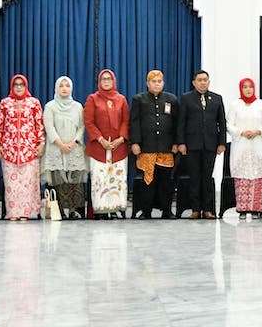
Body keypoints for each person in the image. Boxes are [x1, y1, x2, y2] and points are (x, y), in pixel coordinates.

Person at [177, 70, 227, 219]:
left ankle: (208, 209)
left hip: (211, 145)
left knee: (207, 178)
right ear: (194, 82)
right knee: (194, 178)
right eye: (200, 80)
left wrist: (222, 142)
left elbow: (222, 123)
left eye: (205, 80)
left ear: (209, 82)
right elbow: (181, 122)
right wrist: (181, 142)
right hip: (192, 145)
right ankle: (195, 209)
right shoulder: (186, 98)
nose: (203, 82)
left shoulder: (217, 98)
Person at [130, 70, 180, 219]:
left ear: (163, 83)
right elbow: (134, 123)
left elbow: (177, 123)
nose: (157, 84)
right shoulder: (139, 99)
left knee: (166, 182)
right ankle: (146, 211)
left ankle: (166, 210)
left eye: (159, 81)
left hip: (166, 148)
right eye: (154, 81)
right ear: (147, 83)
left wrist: (177, 142)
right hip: (147, 147)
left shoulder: (171, 99)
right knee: (148, 181)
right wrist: (135, 142)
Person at [0, 74, 45, 221]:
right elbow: (0, 125)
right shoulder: (5, 103)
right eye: (16, 84)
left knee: (28, 184)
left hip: (29, 150)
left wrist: (41, 143)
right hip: (9, 150)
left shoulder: (34, 103)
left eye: (21, 84)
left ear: (26, 86)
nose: (18, 87)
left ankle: (26, 212)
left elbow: (39, 125)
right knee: (11, 184)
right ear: (12, 86)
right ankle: (13, 212)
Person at [84, 69, 130, 219]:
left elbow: (126, 121)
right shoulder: (92, 99)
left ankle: (116, 208)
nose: (106, 81)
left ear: (113, 81)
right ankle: (101, 210)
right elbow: (89, 122)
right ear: (99, 81)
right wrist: (101, 139)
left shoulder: (121, 99)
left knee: (118, 179)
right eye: (103, 79)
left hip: (119, 148)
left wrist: (121, 139)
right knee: (100, 179)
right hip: (99, 148)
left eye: (109, 79)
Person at [227, 78, 262, 221]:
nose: (248, 89)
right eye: (245, 87)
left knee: (256, 177)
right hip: (241, 145)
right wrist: (241, 132)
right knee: (242, 178)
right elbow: (229, 125)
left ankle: (255, 209)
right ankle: (241, 209)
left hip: (257, 145)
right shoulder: (235, 105)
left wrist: (258, 131)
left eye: (250, 87)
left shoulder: (261, 104)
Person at [43, 76, 88, 219]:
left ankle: (74, 210)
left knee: (75, 180)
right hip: (56, 148)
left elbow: (82, 126)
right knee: (59, 180)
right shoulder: (50, 106)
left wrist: (74, 142)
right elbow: (49, 127)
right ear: (56, 88)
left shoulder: (78, 106)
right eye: (61, 86)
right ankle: (60, 210)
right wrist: (60, 144)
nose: (64, 88)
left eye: (67, 86)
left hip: (74, 148)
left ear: (71, 88)